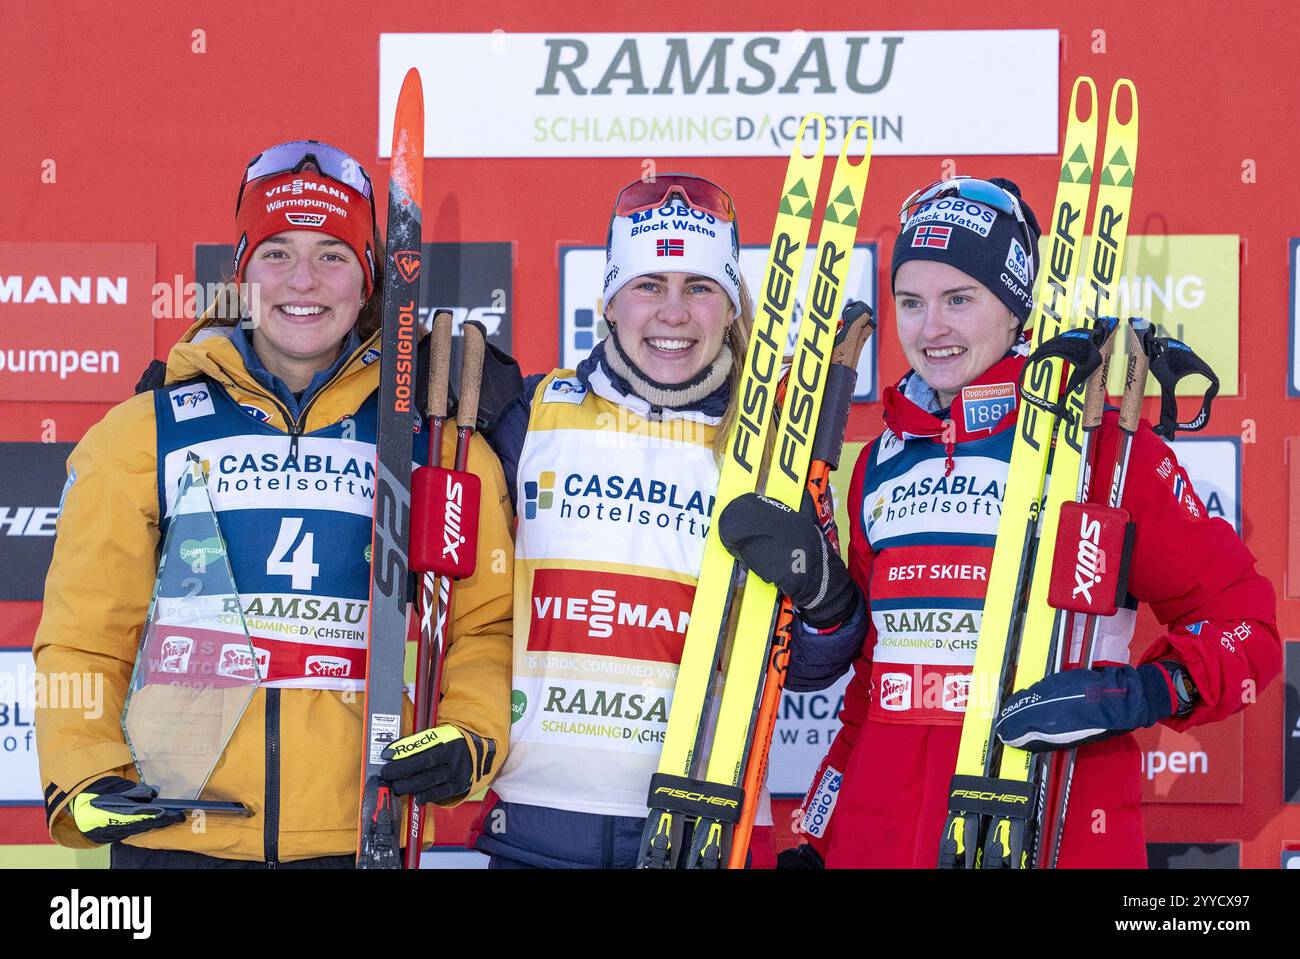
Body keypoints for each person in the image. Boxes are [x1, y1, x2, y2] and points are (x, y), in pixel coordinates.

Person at [769, 176, 1280, 868]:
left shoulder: (1099, 450)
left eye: (960, 300)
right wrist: (822, 838)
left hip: (1050, 830)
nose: (931, 329)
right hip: (884, 841)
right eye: (911, 302)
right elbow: (870, 686)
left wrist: (1147, 690)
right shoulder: (881, 463)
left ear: (1014, 310)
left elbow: (1245, 627)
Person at [33, 140, 514, 867]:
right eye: (277, 252)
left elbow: (483, 627)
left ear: (367, 279)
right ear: (242, 273)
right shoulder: (145, 433)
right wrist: (83, 772)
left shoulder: (432, 447)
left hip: (358, 833)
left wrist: (468, 735)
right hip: (175, 832)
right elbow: (85, 633)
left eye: (332, 254)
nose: (303, 280)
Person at [468, 173, 868, 868]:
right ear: (611, 300)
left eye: (700, 287)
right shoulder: (528, 417)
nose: (674, 312)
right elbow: (467, 608)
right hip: (537, 833)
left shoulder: (769, 448)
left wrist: (824, 596)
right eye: (650, 284)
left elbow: (803, 668)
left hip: (702, 828)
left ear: (731, 304)